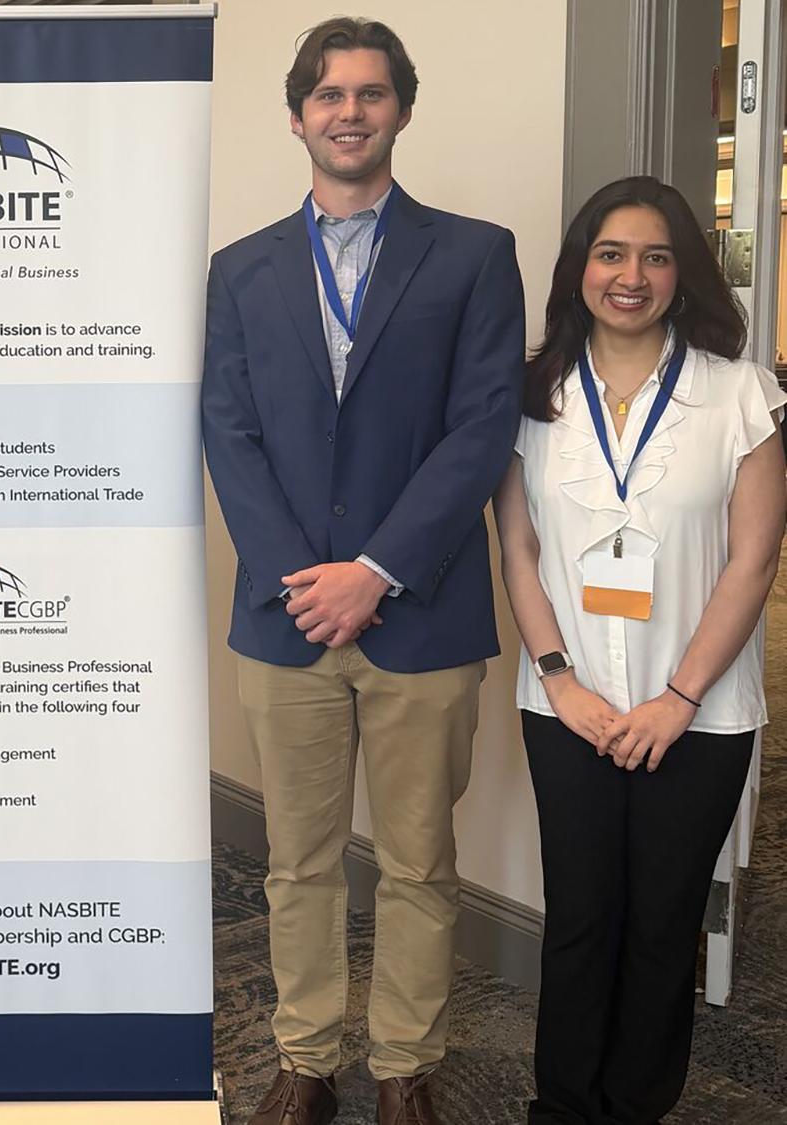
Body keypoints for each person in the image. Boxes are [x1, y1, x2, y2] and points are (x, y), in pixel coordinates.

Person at [201, 17, 525, 1125]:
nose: (350, 111)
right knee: (295, 865)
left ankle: (405, 1067)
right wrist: (310, 579)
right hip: (285, 620)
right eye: (329, 94)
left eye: (372, 93)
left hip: (423, 619)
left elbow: (482, 431)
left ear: (400, 108)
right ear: (298, 115)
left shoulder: (475, 254)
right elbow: (228, 432)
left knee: (419, 867)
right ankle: (304, 1054)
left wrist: (375, 571)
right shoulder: (238, 273)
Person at [492, 176, 784, 1124]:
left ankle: (635, 1105)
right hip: (567, 708)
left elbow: (752, 559)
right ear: (581, 267)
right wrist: (559, 678)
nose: (631, 275)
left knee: (662, 924)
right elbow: (520, 549)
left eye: (656, 256)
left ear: (684, 273)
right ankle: (563, 1104)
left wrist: (679, 697)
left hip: (699, 713)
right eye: (610, 253)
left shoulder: (739, 394)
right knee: (579, 920)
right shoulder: (531, 393)